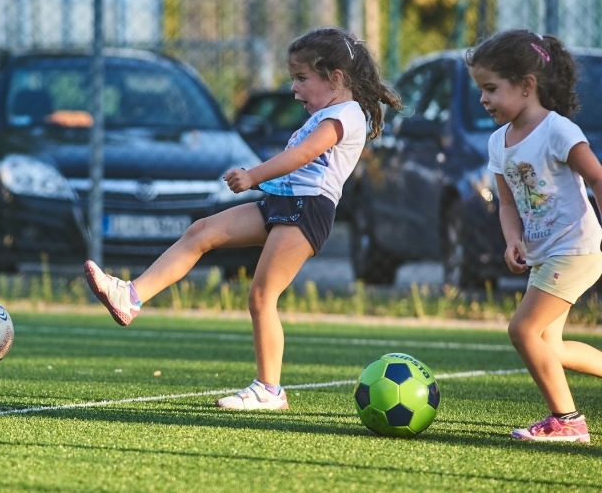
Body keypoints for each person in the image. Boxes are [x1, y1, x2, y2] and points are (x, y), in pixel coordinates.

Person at [85, 26, 400, 410]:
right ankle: (130, 296)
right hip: (282, 202)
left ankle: (270, 390)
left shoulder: (346, 114)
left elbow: (303, 156)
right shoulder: (331, 111)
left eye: (302, 78)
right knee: (201, 232)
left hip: (307, 210)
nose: (294, 89)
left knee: (261, 296)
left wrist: (253, 176)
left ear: (336, 78)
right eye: (293, 79)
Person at [467, 29, 602, 442]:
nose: (483, 99)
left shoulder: (558, 131)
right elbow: (508, 204)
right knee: (551, 346)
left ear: (527, 86)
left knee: (522, 330)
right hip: (545, 253)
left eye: (491, 88)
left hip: (574, 249)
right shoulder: (497, 142)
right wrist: (512, 240)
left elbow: (597, 178)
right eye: (480, 90)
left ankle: (568, 420)